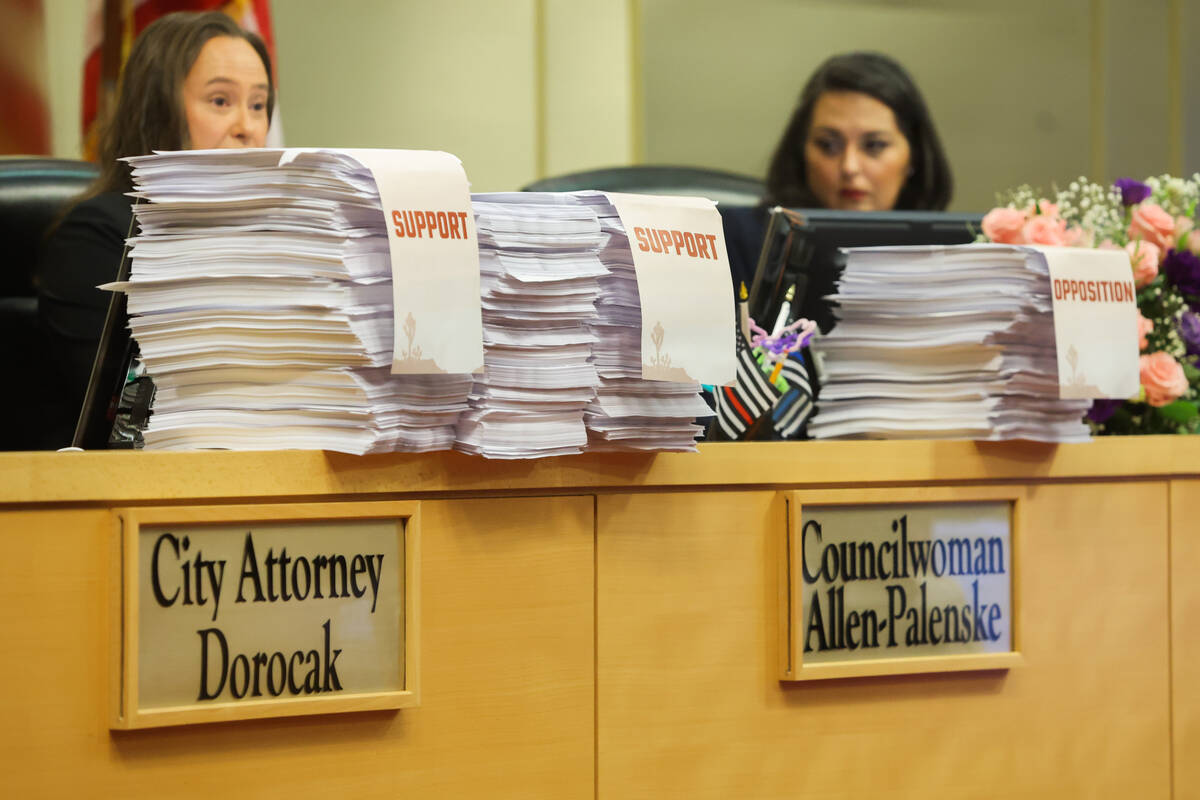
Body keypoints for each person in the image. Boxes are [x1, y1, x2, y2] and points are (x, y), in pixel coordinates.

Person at [35, 11, 274, 448]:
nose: (248, 128)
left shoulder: (278, 242)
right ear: (160, 111)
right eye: (221, 101)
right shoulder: (94, 238)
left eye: (258, 105)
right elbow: (132, 418)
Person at [723, 52, 953, 290]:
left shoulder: (952, 260)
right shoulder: (736, 239)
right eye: (828, 145)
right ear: (801, 151)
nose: (849, 167)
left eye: (874, 145)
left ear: (914, 157)